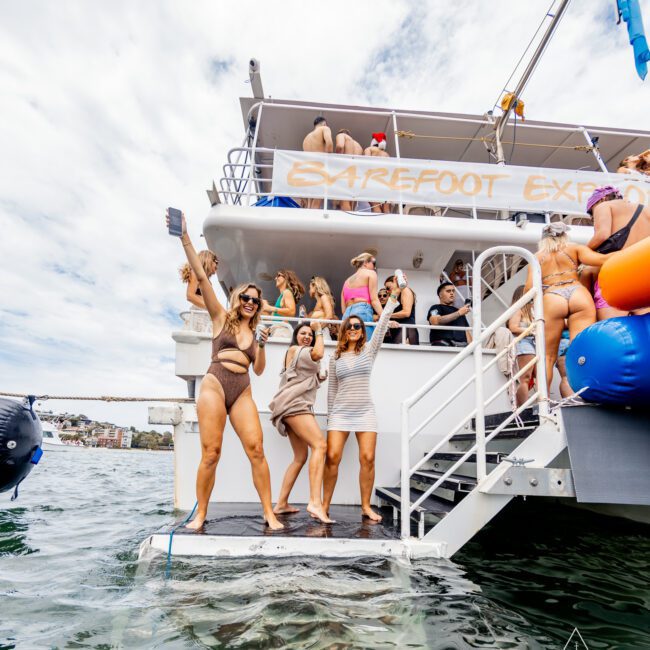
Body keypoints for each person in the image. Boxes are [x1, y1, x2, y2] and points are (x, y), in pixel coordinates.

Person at [166, 210, 283, 530]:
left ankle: (269, 513)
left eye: (255, 300)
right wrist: (185, 237)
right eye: (245, 297)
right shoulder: (221, 317)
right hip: (216, 383)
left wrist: (263, 345)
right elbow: (201, 280)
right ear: (237, 299)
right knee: (211, 453)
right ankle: (201, 513)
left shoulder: (255, 332)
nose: (249, 302)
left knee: (257, 450)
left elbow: (258, 370)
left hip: (242, 387)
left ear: (259, 306)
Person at [323, 278, 404, 521]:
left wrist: (394, 296)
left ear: (362, 331)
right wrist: (330, 418)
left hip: (364, 412)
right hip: (340, 413)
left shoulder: (368, 351)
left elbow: (381, 327)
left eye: (358, 327)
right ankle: (324, 506)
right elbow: (331, 391)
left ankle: (366, 507)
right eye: (350, 327)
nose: (355, 330)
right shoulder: (335, 358)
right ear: (344, 331)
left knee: (368, 458)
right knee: (332, 457)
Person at [524, 222, 611, 392]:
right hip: (578, 293)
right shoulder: (574, 248)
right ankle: (587, 393)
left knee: (547, 357)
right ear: (564, 235)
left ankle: (543, 399)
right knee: (580, 349)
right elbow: (602, 259)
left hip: (552, 295)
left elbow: (528, 289)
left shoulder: (536, 258)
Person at [269, 322, 333, 524]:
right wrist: (319, 329)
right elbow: (319, 354)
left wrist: (319, 378)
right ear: (296, 336)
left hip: (287, 406)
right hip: (295, 406)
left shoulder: (296, 354)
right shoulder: (298, 349)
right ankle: (315, 502)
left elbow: (303, 377)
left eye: (309, 334)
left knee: (300, 456)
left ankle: (281, 504)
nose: (307, 336)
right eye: (303, 333)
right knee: (320, 445)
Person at [585, 186, 650, 319]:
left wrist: (583, 252)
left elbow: (602, 235)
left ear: (602, 199)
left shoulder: (604, 206)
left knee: (613, 330)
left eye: (592, 213)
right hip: (644, 275)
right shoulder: (646, 210)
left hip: (619, 274)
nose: (593, 218)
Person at [179, 250, 219, 398]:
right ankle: (192, 397)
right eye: (216, 263)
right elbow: (190, 295)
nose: (217, 268)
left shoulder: (206, 279)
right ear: (209, 260)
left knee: (202, 356)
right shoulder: (196, 273)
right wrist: (211, 306)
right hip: (198, 319)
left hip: (205, 319)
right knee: (195, 356)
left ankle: (198, 395)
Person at [341, 252, 383, 339]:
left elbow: (343, 310)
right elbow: (374, 300)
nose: (374, 267)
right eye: (373, 263)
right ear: (365, 263)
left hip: (346, 316)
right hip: (363, 311)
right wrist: (385, 318)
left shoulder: (346, 281)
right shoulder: (370, 273)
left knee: (349, 347)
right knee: (365, 346)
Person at [507, 286, 536, 406]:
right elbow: (513, 327)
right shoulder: (518, 309)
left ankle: (543, 403)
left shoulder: (533, 310)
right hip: (524, 342)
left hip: (535, 342)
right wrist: (531, 330)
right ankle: (523, 408)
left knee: (540, 376)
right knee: (525, 377)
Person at [261, 269, 305, 337]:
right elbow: (272, 318)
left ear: (286, 278)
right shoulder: (281, 296)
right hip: (277, 329)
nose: (275, 278)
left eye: (278, 275)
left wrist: (270, 308)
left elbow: (291, 311)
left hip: (282, 331)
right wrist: (263, 309)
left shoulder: (287, 292)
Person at [302, 116, 334, 209]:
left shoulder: (306, 138)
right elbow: (329, 143)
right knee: (317, 200)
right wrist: (330, 160)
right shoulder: (325, 128)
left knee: (309, 202)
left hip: (309, 170)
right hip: (320, 167)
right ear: (324, 123)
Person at [427, 283, 472, 347]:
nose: (452, 293)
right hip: (443, 345)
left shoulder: (460, 311)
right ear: (440, 295)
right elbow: (435, 321)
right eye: (448, 291)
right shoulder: (435, 308)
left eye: (453, 291)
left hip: (462, 347)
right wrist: (458, 313)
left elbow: (467, 332)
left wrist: (472, 348)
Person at [384, 275, 419, 345]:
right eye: (386, 289)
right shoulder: (394, 296)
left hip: (406, 328)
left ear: (396, 283)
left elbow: (406, 312)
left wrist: (386, 316)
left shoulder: (405, 290)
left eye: (388, 288)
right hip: (398, 329)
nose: (387, 291)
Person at [335, 129, 363, 212]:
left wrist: (337, 158)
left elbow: (340, 146)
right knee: (352, 203)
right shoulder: (359, 146)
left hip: (346, 170)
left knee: (344, 202)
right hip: (357, 175)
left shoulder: (341, 136)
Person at [363, 132, 391, 213]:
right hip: (386, 181)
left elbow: (366, 163)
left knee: (375, 205)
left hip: (374, 179)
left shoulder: (369, 149)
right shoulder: (386, 154)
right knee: (386, 208)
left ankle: (377, 222)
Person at [556, 327, 572, 398]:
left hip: (566, 341)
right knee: (566, 377)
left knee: (566, 377)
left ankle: (570, 402)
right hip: (566, 341)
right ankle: (570, 402)